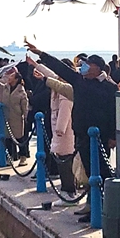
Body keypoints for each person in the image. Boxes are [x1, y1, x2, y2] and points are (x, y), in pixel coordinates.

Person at [27, 44, 117, 223]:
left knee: (100, 172)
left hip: (101, 138)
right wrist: (41, 54)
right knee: (89, 172)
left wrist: (113, 136)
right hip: (82, 135)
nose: (83, 67)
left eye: (87, 64)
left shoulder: (110, 87)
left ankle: (102, 208)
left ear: (97, 68)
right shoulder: (79, 81)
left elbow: (115, 112)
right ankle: (91, 205)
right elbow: (60, 69)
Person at [30, 56, 78, 204]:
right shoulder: (60, 83)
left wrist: (60, 129)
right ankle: (67, 190)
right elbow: (50, 75)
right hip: (58, 128)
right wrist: (35, 65)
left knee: (65, 160)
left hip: (64, 131)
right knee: (62, 158)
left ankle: (69, 193)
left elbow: (65, 109)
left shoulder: (65, 89)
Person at [0, 68, 30, 166]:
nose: (9, 77)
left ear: (16, 79)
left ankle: (23, 157)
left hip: (16, 118)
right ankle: (9, 157)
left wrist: (26, 117)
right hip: (5, 117)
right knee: (7, 138)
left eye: (12, 76)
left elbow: (24, 106)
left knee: (20, 138)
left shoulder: (21, 92)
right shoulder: (5, 88)